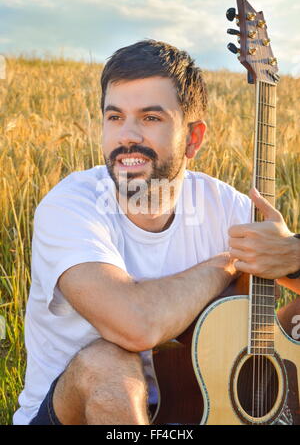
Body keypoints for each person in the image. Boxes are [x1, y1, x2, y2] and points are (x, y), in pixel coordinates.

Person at [13, 40, 300, 425]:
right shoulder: (70, 206)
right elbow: (135, 326)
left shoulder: (227, 206)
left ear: (193, 139)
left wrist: (292, 257)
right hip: (76, 413)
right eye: (114, 117)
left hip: (197, 408)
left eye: (150, 118)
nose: (127, 136)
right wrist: (227, 263)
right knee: (108, 361)